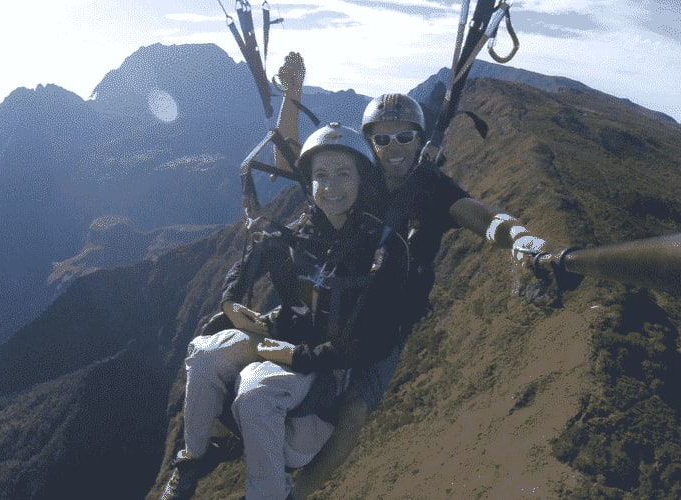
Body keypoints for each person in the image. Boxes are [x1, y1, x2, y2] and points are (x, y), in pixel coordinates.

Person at [290, 92, 554, 499]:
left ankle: (297, 493)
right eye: (383, 140)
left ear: (419, 139)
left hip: (385, 320)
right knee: (291, 383)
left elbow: (480, 215)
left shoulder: (432, 189)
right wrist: (291, 97)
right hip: (334, 303)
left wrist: (519, 237)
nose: (393, 148)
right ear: (369, 144)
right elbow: (307, 170)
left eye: (404, 137)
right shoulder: (357, 177)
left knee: (354, 409)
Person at [162, 122, 410, 500]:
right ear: (309, 184)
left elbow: (375, 343)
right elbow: (254, 257)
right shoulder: (303, 231)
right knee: (205, 351)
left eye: (343, 174)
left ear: (362, 180)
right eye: (321, 176)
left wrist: (298, 355)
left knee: (254, 390)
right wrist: (231, 301)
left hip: (324, 367)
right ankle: (192, 458)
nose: (330, 187)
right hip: (285, 339)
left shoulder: (381, 252)